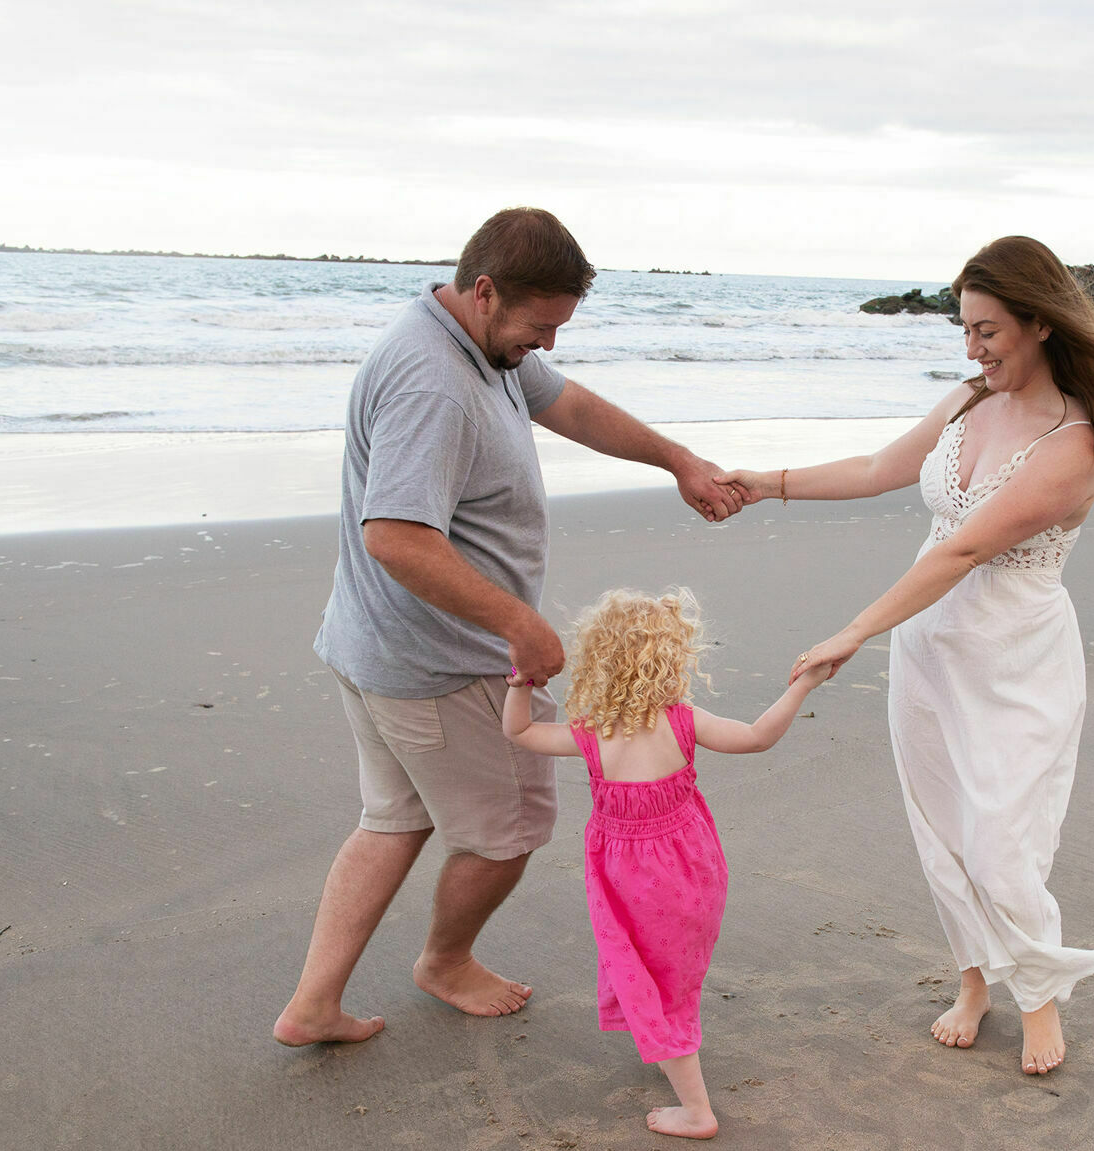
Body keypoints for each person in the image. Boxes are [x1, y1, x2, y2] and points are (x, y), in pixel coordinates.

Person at [273, 209, 746, 1048]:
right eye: (542, 325)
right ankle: (445, 961)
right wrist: (518, 624)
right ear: (486, 291)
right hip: (439, 662)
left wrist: (676, 458)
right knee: (510, 832)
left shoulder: (484, 345)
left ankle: (313, 1005)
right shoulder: (432, 380)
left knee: (395, 816)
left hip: (379, 646)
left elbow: (571, 406)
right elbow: (393, 534)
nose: (550, 346)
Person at [717, 235, 1094, 1075]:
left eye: (987, 330)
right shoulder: (966, 401)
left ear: (1037, 322)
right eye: (964, 329)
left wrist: (855, 629)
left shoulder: (1077, 446)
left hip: (1016, 658)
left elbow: (960, 552)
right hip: (930, 649)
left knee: (1002, 837)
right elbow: (882, 467)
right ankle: (973, 982)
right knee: (943, 830)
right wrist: (765, 482)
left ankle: (1039, 995)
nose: (971, 348)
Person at [501, 588, 827, 1137]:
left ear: (598, 659)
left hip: (627, 877)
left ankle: (696, 1110)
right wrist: (804, 686)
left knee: (647, 976)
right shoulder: (681, 719)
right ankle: (668, 1046)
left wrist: (520, 683)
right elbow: (756, 737)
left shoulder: (591, 732)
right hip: (693, 867)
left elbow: (521, 732)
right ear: (669, 656)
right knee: (672, 975)